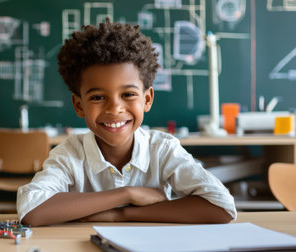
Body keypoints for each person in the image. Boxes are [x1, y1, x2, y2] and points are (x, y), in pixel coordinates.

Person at [17, 19, 236, 227]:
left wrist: (122, 214)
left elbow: (222, 207)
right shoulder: (70, 153)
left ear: (147, 99)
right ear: (79, 105)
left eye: (128, 94)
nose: (114, 109)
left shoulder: (162, 150)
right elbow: (31, 209)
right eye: (97, 97)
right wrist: (126, 194)